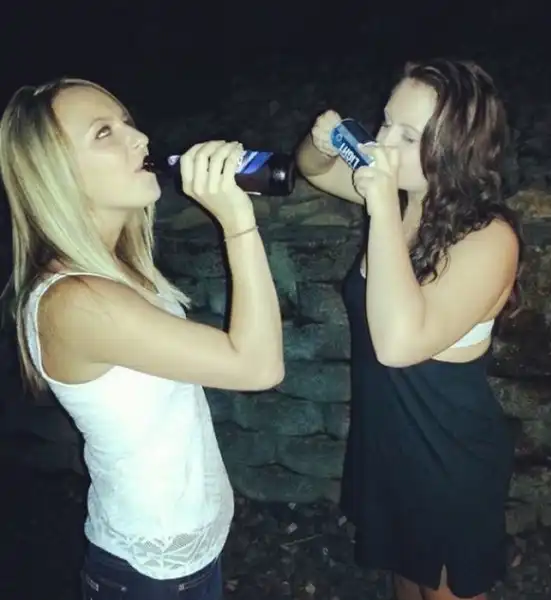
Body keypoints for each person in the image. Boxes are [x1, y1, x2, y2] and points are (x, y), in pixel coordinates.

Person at [0, 78, 284, 600]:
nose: (139, 138)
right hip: (148, 575)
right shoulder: (75, 301)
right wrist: (238, 221)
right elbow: (258, 367)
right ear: (55, 175)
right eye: (104, 133)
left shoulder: (118, 271)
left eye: (127, 123)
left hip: (184, 554)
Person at [296, 59, 522, 600]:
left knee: (442, 588)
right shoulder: (406, 199)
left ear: (456, 148)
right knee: (403, 577)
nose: (383, 143)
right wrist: (321, 143)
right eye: (384, 122)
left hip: (446, 453)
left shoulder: (489, 239)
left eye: (408, 135)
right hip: (387, 439)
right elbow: (312, 170)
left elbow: (398, 344)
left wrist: (379, 206)